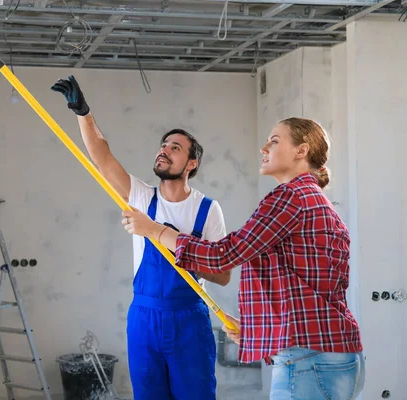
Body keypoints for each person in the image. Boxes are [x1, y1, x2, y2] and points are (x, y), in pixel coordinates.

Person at [122, 117, 365, 400]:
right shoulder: (315, 198)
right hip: (332, 354)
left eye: (274, 141)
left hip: (307, 361)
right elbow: (302, 288)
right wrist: (255, 329)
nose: (264, 148)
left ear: (302, 150)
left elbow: (222, 256)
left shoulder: (291, 197)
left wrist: (155, 230)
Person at [51, 75, 231, 400]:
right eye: (163, 145)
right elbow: (102, 157)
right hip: (144, 320)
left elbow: (222, 275)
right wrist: (83, 113)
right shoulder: (140, 198)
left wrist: (174, 242)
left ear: (192, 163)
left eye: (175, 147)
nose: (164, 150)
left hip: (190, 319)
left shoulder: (207, 210)